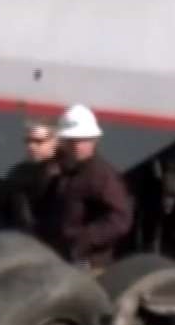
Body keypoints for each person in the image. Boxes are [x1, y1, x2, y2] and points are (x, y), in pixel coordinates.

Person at [36, 104, 134, 269]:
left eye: (83, 139)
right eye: (71, 140)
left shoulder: (101, 175)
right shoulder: (60, 170)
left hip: (87, 263)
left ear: (94, 140)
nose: (76, 145)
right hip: (59, 257)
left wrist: (86, 239)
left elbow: (121, 218)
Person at [0, 121, 57, 233]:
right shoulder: (17, 173)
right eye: (28, 141)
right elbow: (4, 212)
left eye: (39, 141)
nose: (31, 146)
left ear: (54, 143)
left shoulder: (63, 175)